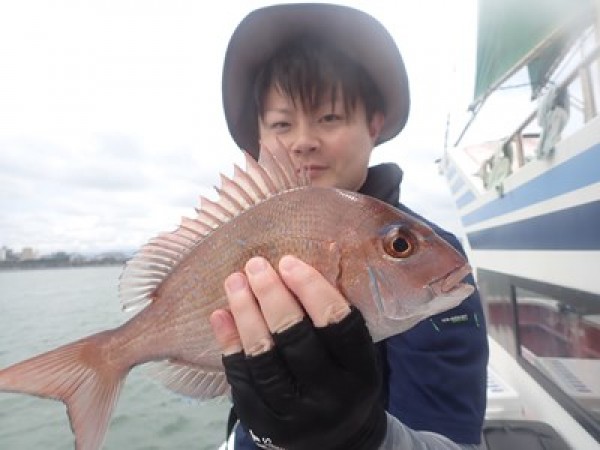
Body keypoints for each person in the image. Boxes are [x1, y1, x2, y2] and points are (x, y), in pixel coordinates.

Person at [209, 3, 488, 449]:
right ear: (259, 138)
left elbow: (453, 434)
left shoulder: (426, 260)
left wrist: (362, 437)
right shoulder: (233, 238)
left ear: (373, 125)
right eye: (282, 123)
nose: (303, 141)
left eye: (329, 117)